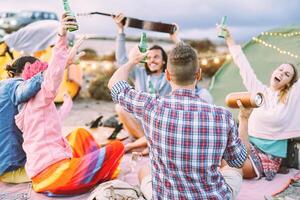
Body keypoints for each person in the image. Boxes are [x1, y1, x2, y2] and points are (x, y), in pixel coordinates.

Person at [108, 43, 247, 199]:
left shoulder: (151, 106)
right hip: (212, 196)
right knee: (233, 171)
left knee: (144, 171)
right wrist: (244, 118)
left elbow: (114, 84)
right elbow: (239, 161)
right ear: (198, 75)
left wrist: (132, 61)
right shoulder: (223, 116)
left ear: (167, 75)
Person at [14, 14, 124, 196]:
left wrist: (67, 102)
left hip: (38, 177)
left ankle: (91, 167)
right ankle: (98, 173)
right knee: (117, 148)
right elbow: (53, 73)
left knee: (80, 134)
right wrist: (61, 36)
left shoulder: (25, 105)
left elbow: (55, 120)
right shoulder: (42, 94)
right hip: (56, 175)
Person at [113, 13, 213, 154]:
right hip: (142, 121)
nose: (152, 60)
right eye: (148, 57)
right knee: (120, 108)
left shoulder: (171, 75)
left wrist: (174, 37)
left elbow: (187, 60)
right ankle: (148, 143)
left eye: (156, 57)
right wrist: (120, 31)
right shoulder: (139, 73)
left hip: (163, 121)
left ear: (164, 61)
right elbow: (122, 60)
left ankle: (146, 144)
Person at [221, 26, 300, 181]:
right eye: (280, 70)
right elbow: (243, 66)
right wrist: (229, 39)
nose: (281, 74)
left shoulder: (291, 98)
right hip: (246, 146)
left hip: (267, 155)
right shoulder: (259, 92)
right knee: (219, 160)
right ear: (274, 72)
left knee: (236, 168)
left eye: (287, 74)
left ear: (289, 83)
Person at [0, 56, 43, 183]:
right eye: (40, 68)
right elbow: (24, 91)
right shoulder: (15, 85)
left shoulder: (3, 85)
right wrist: (46, 73)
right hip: (10, 168)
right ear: (28, 66)